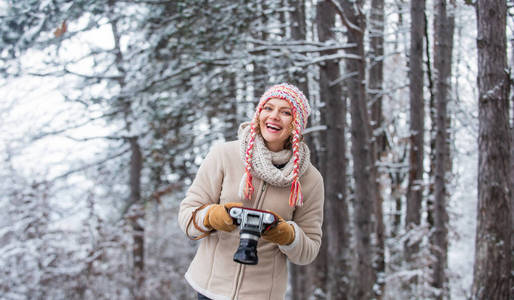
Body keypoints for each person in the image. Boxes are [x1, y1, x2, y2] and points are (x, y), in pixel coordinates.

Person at [178, 83, 324, 300]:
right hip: (210, 289)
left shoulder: (309, 179)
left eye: (286, 112)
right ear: (258, 113)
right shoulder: (224, 155)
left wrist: (287, 234)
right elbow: (187, 219)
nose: (274, 117)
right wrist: (212, 216)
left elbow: (309, 250)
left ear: (297, 124)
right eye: (268, 108)